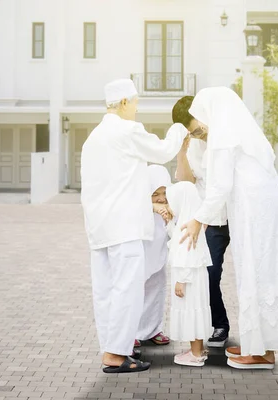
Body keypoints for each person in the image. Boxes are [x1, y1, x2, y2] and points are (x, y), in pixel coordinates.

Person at [179, 87, 278, 370]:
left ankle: (259, 352)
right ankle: (257, 346)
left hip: (256, 211)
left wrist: (198, 219)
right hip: (261, 209)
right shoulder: (238, 133)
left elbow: (220, 186)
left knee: (257, 274)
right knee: (261, 273)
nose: (202, 131)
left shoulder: (224, 136)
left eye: (200, 124)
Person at [80, 78, 188, 373]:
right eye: (136, 102)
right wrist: (181, 128)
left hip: (99, 228)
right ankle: (117, 354)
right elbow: (164, 150)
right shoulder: (127, 131)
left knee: (106, 292)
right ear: (125, 102)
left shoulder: (94, 137)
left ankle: (110, 351)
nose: (137, 109)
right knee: (128, 291)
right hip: (124, 227)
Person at [172, 96, 231, 348]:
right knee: (209, 272)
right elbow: (186, 181)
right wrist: (182, 152)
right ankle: (219, 324)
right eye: (193, 133)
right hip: (210, 220)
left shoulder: (227, 134)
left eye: (199, 130)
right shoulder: (194, 146)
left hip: (236, 215)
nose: (199, 135)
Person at [165, 181, 213, 367]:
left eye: (171, 202)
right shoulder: (190, 224)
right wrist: (169, 222)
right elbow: (176, 239)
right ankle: (198, 350)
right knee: (196, 311)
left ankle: (195, 355)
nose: (169, 206)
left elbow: (187, 252)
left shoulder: (189, 229)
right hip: (194, 279)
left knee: (191, 311)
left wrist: (181, 280)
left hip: (188, 280)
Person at [136, 165, 173, 347]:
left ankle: (152, 329)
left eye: (164, 192)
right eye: (155, 193)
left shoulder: (170, 206)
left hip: (158, 256)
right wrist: (152, 208)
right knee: (135, 293)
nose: (161, 198)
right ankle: (131, 332)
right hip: (141, 255)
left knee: (156, 292)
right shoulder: (139, 204)